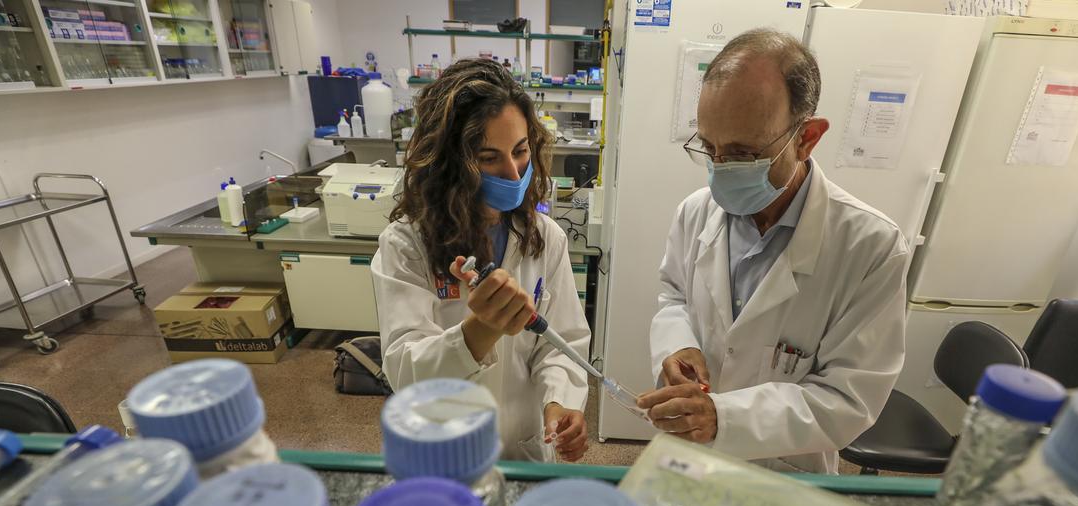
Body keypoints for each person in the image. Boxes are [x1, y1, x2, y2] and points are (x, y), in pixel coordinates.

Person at [637, 29, 909, 473]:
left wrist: (725, 419)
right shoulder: (695, 212)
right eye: (710, 148)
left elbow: (849, 398)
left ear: (807, 138)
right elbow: (674, 296)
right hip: (689, 458)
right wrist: (677, 345)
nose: (720, 171)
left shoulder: (871, 247)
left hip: (786, 471)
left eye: (743, 153)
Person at [373, 58, 590, 461]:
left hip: (521, 445)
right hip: (446, 449)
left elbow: (562, 343)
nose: (512, 173)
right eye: (489, 158)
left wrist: (559, 404)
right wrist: (480, 331)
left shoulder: (544, 237)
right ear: (449, 161)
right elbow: (404, 371)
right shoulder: (406, 244)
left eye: (520, 150)